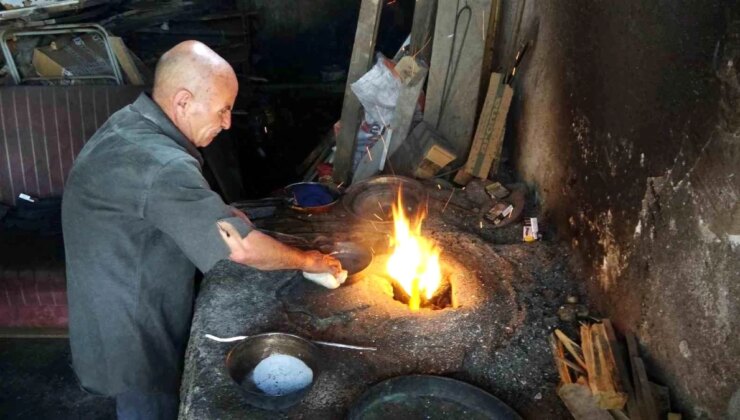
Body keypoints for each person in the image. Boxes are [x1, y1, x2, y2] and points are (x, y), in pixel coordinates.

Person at [61, 40, 342, 420]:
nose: (227, 123)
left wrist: (216, 211)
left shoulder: (131, 123)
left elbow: (151, 201)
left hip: (109, 295)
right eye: (223, 109)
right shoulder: (162, 165)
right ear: (182, 102)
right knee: (149, 403)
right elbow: (243, 249)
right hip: (132, 326)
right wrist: (309, 259)